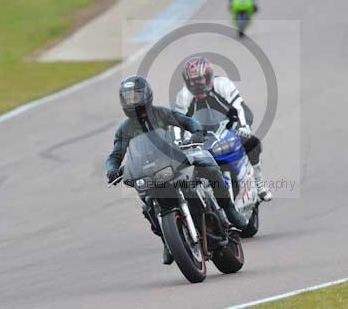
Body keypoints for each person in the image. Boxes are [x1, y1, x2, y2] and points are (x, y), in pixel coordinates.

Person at [106, 75, 248, 264]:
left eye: (135, 97)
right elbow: (115, 154)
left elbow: (187, 122)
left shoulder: (161, 114)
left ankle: (229, 209)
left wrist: (196, 133)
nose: (132, 102)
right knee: (148, 206)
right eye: (128, 98)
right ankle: (168, 241)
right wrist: (112, 169)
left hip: (173, 160)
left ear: (146, 95)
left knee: (209, 168)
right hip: (147, 173)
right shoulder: (125, 129)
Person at [175, 57, 273, 202]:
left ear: (209, 77)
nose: (197, 85)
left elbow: (241, 107)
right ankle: (202, 202)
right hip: (202, 136)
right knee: (191, 166)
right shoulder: (183, 96)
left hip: (229, 127)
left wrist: (244, 127)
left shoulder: (223, 84)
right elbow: (178, 123)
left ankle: (259, 184)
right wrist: (178, 142)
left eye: (200, 79)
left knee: (253, 143)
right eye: (193, 81)